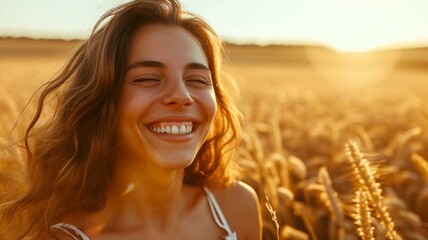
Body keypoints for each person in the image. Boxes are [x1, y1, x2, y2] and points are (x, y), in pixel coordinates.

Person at [0, 0, 262, 239]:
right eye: (147, 78)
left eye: (197, 80)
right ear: (102, 100)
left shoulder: (237, 208)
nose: (182, 96)